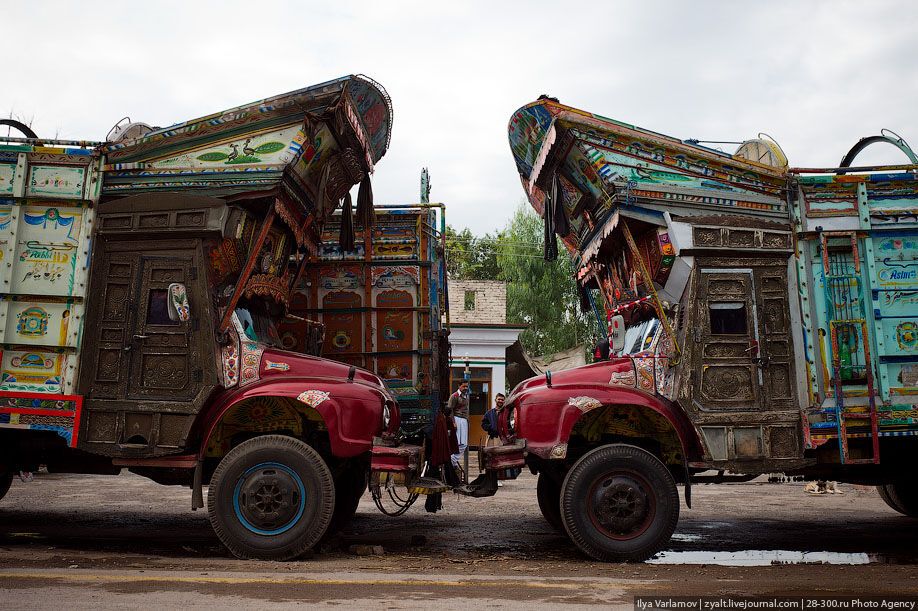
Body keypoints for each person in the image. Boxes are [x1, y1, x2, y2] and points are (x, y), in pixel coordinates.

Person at [448, 382, 470, 473]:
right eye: (463, 386)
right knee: (457, 442)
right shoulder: (454, 396)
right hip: (457, 419)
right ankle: (452, 461)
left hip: (464, 420)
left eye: (466, 386)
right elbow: (450, 410)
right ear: (459, 386)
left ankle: (452, 460)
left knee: (463, 444)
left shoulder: (466, 396)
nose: (465, 388)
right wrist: (453, 422)